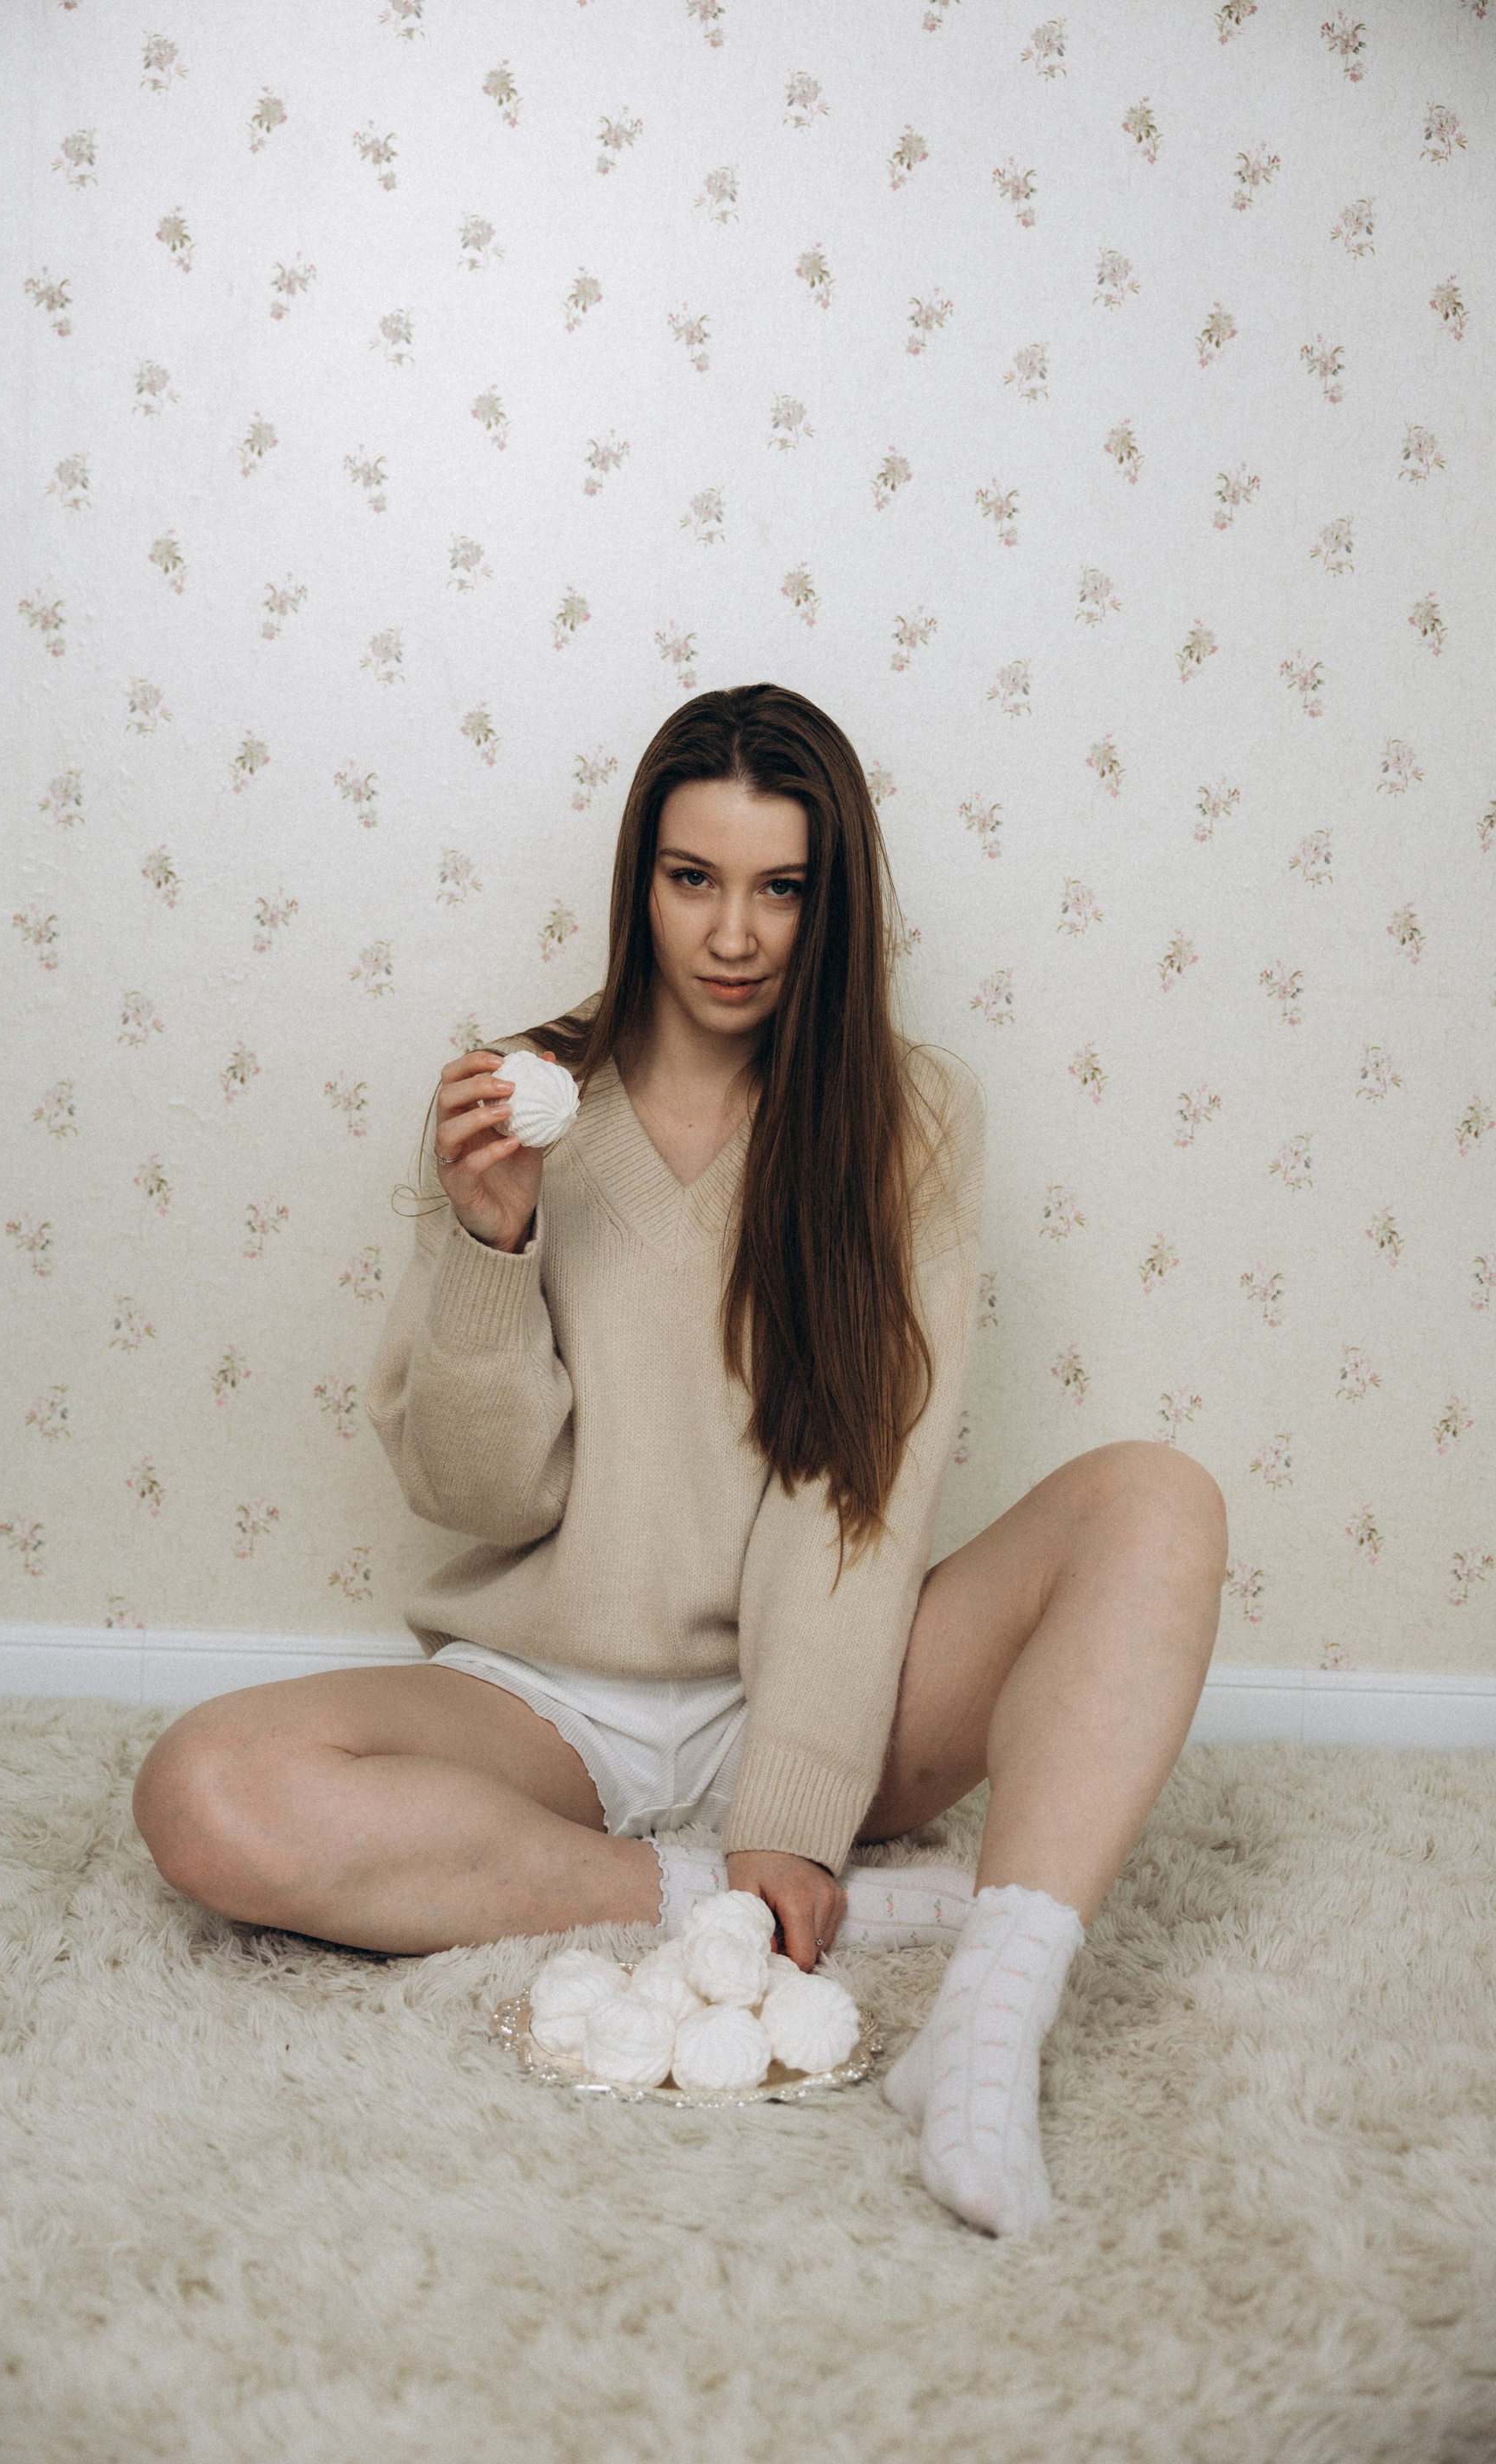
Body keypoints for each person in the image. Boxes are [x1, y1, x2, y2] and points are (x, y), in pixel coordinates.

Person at [133, 682, 1226, 2238]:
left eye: (783, 888)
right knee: (205, 1792)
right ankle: (729, 1898)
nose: (733, 935)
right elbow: (478, 1497)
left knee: (1157, 1502)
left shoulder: (911, 1117)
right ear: (638, 879)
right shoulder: (516, 1100)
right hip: (548, 1703)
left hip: (828, 1679)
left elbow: (858, 1488)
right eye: (693, 878)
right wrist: (490, 1245)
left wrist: (794, 1799)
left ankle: (994, 2006)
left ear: (833, 904)